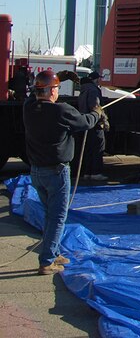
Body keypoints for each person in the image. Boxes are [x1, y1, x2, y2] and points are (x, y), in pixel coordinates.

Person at [23, 70, 102, 275]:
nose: (58, 91)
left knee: (50, 214)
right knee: (58, 216)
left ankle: (53, 250)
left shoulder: (29, 109)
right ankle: (47, 261)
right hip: (56, 172)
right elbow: (86, 122)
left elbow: (33, 96)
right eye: (56, 88)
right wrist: (97, 113)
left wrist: (51, 79)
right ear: (51, 91)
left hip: (37, 172)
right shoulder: (61, 111)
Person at [76, 71, 108, 182]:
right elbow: (96, 107)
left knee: (88, 149)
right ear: (96, 79)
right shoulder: (94, 90)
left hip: (86, 123)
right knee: (98, 148)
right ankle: (96, 173)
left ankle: (87, 173)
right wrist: (104, 121)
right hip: (95, 124)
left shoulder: (84, 89)